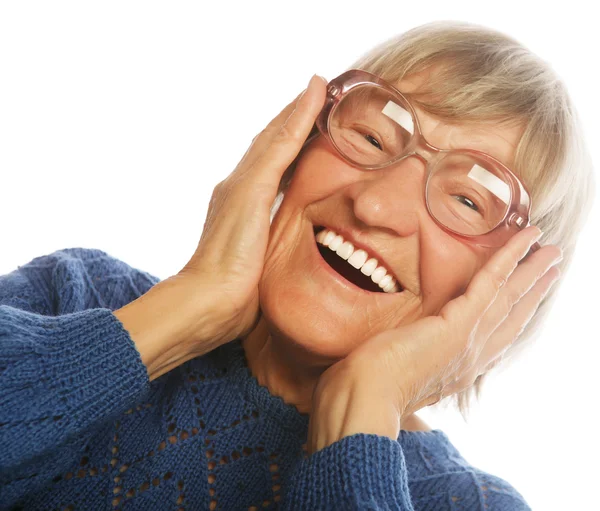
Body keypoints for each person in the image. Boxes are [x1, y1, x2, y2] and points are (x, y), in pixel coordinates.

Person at [0, 20, 594, 511]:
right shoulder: (77, 297)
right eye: (371, 136)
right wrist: (189, 307)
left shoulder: (469, 505)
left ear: (512, 294)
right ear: (294, 149)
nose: (376, 202)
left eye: (467, 201)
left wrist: (362, 415)